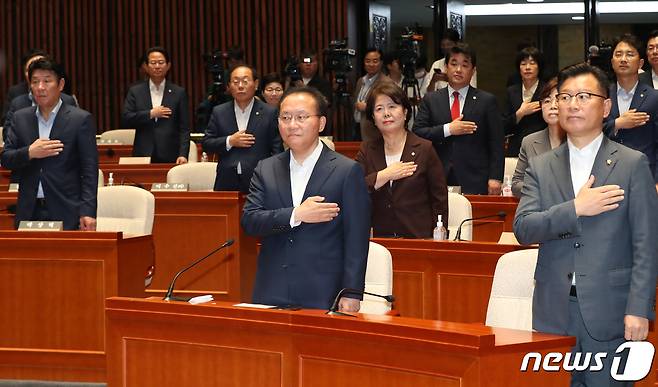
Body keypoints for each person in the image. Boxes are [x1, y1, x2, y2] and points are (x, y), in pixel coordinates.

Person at [514, 63, 657, 387]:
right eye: (564, 97)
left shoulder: (632, 164)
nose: (572, 104)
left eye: (583, 96)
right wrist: (575, 208)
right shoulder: (540, 166)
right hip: (554, 310)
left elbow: (647, 244)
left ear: (605, 106)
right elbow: (524, 228)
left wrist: (639, 308)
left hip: (611, 312)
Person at [241, 86, 370, 311]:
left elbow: (356, 239)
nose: (292, 125)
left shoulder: (347, 171)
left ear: (320, 123)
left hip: (324, 291)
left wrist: (351, 292)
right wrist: (295, 214)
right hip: (272, 288)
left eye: (301, 117)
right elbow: (250, 221)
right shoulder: (266, 168)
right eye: (285, 117)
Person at [1, 58, 98, 231]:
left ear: (60, 84)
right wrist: (29, 152)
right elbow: (6, 159)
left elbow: (89, 170)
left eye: (47, 81)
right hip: (29, 209)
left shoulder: (80, 119)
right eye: (35, 81)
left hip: (67, 208)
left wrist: (88, 211)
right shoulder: (20, 117)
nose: (40, 87)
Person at [356, 83, 448, 238]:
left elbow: (439, 200)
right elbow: (354, 188)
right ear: (373, 118)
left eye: (392, 106)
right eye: (379, 109)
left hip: (418, 239)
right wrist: (385, 175)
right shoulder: (367, 150)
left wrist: (438, 237)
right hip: (379, 241)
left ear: (405, 112)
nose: (386, 114)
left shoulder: (424, 149)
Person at [413, 43, 504, 195]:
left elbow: (496, 142)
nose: (458, 70)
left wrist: (495, 177)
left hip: (475, 178)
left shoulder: (487, 101)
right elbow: (418, 132)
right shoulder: (431, 99)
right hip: (437, 174)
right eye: (454, 64)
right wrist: (448, 129)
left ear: (473, 70)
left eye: (464, 65)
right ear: (446, 68)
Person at [203, 65, 282, 193]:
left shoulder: (270, 112)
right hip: (226, 181)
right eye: (235, 82)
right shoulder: (219, 112)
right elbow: (207, 144)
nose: (240, 86)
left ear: (256, 84)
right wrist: (230, 141)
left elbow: (277, 149)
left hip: (260, 181)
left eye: (245, 81)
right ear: (229, 86)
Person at [603, 34, 658, 187]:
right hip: (607, 173)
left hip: (645, 174)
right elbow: (591, 131)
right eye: (618, 54)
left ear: (640, 63)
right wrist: (617, 124)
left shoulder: (654, 97)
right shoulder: (602, 96)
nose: (623, 59)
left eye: (630, 54)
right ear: (612, 61)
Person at [121, 46, 190, 164]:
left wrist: (183, 154)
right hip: (143, 152)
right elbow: (126, 118)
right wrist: (150, 114)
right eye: (153, 63)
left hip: (171, 153)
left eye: (161, 62)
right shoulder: (135, 91)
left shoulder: (179, 92)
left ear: (168, 65)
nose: (157, 66)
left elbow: (184, 128)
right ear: (146, 66)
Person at [512, 78, 565, 197]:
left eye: (558, 100)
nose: (552, 106)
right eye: (547, 101)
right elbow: (516, 184)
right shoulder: (529, 141)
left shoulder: (579, 140)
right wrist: (542, 188)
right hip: (537, 209)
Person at [503, 47, 546, 157]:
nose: (527, 68)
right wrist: (520, 113)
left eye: (532, 63)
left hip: (542, 148)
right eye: (523, 64)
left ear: (539, 66)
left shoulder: (547, 90)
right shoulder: (511, 91)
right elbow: (503, 126)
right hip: (516, 149)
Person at [420, 29, 477, 96]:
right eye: (443, 45)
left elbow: (472, 89)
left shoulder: (467, 64)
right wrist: (433, 80)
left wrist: (452, 79)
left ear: (456, 44)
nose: (445, 47)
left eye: (449, 44)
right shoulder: (437, 64)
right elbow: (428, 95)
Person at [353, 48, 392, 142]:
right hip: (358, 128)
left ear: (381, 63)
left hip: (375, 132)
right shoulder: (360, 81)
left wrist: (367, 107)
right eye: (367, 61)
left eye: (375, 61)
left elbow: (389, 108)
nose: (371, 64)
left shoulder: (386, 83)